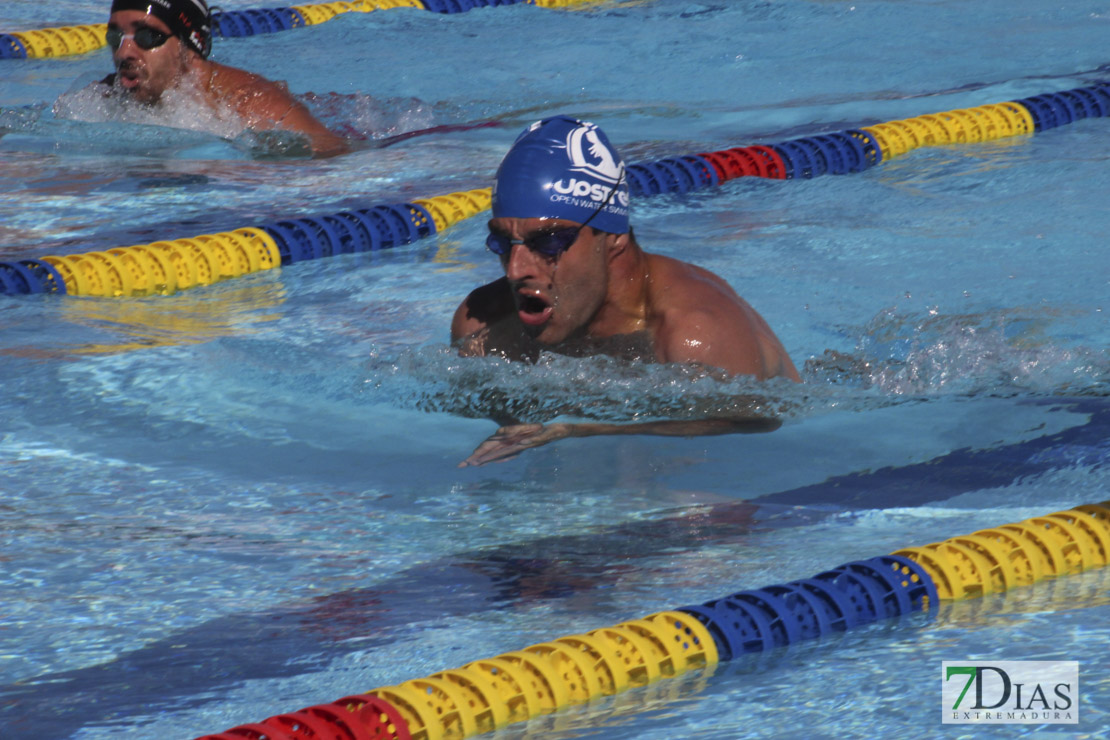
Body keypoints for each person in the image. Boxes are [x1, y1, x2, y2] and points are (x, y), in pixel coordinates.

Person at [452, 116, 801, 467]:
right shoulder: (484, 326)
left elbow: (756, 423)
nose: (515, 270)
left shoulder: (694, 334)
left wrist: (582, 429)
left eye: (549, 241)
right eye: (502, 242)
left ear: (614, 235)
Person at [94, 0, 347, 157]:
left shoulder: (252, 105)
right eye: (116, 37)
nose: (124, 52)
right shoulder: (106, 95)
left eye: (147, 37)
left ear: (190, 46)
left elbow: (335, 159)